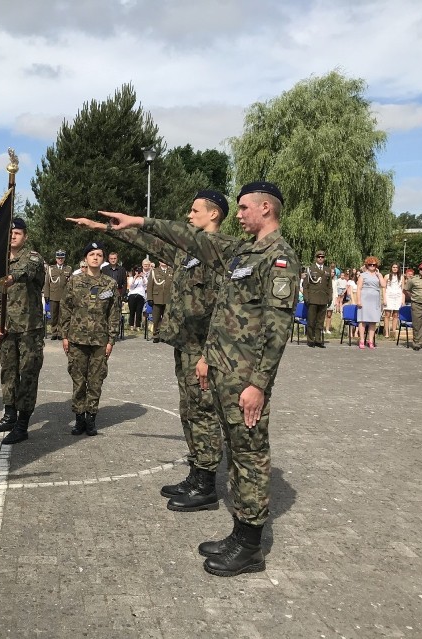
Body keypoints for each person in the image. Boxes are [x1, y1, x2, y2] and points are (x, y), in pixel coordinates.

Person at [100, 181, 299, 577]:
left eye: (244, 208)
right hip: (223, 368)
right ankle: (240, 535)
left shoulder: (278, 258)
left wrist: (258, 384)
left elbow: (277, 330)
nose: (238, 214)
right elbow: (189, 241)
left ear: (265, 208)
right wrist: (140, 221)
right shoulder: (240, 251)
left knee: (249, 456)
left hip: (246, 377)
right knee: (236, 452)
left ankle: (249, 546)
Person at [70, 188, 234, 512]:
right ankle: (196, 473)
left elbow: (226, 311)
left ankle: (206, 486)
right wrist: (102, 228)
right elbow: (146, 243)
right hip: (185, 346)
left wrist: (209, 356)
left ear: (213, 214)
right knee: (189, 412)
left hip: (203, 351)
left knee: (203, 414)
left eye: (195, 210)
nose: (189, 215)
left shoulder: (219, 255)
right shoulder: (187, 253)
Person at [0, 217, 46, 445]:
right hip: (8, 329)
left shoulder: (33, 257)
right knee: (8, 372)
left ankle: (22, 425)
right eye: (10, 233)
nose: (13, 236)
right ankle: (9, 415)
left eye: (18, 233)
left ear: (25, 236)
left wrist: (10, 277)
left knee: (28, 374)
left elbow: (27, 270)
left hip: (30, 328)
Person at [60, 241, 121, 435]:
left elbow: (114, 313)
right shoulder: (74, 282)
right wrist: (64, 335)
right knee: (78, 381)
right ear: (85, 258)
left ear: (103, 259)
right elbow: (65, 308)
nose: (95, 257)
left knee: (95, 381)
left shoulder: (109, 284)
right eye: (92, 254)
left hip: (99, 342)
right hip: (77, 339)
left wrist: (111, 340)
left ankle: (91, 418)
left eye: (99, 255)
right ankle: (79, 419)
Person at [303, 250, 333, 347]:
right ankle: (310, 340)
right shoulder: (310, 269)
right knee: (311, 321)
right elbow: (305, 286)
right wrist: (306, 297)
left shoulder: (327, 270)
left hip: (323, 299)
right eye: (319, 257)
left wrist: (330, 297)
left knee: (320, 322)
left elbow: (329, 286)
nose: (320, 258)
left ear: (324, 258)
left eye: (322, 257)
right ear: (316, 258)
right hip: (312, 298)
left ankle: (318, 340)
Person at [43, 249, 73, 340]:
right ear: (56, 259)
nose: (60, 259)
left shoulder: (68, 268)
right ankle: (54, 332)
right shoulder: (51, 269)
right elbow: (47, 283)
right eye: (59, 258)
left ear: (64, 259)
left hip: (64, 296)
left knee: (62, 316)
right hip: (53, 296)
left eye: (62, 258)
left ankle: (60, 333)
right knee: (53, 315)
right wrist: (46, 295)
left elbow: (70, 283)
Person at [356, 257, 385, 349]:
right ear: (366, 265)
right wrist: (359, 300)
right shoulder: (363, 275)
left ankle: (371, 340)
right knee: (362, 320)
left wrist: (380, 275)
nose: (372, 266)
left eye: (374, 265)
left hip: (375, 299)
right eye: (370, 264)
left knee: (373, 320)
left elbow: (384, 285)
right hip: (365, 298)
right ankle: (361, 340)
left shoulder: (378, 275)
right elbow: (359, 288)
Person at [147, 260, 173, 342]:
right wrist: (150, 298)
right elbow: (149, 286)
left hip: (168, 298)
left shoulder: (172, 271)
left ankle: (164, 335)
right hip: (157, 298)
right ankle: (156, 335)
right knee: (156, 318)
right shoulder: (154, 271)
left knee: (166, 318)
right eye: (161, 260)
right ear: (159, 261)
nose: (164, 262)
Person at [383, 263, 404, 339]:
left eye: (396, 267)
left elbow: (402, 289)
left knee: (395, 315)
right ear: (391, 268)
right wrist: (384, 298)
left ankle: (393, 332)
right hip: (389, 296)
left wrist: (402, 300)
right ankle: (386, 332)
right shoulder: (387, 276)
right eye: (393, 267)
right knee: (387, 315)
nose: (395, 268)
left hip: (398, 297)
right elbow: (384, 288)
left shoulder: (401, 277)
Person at [126, 266, 147, 331]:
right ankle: (131, 325)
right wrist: (135, 278)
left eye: (139, 271)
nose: (138, 272)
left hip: (141, 295)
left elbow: (146, 285)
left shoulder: (144, 278)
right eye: (136, 271)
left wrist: (143, 277)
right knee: (132, 311)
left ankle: (138, 326)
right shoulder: (131, 278)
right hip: (132, 295)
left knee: (139, 311)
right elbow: (130, 287)